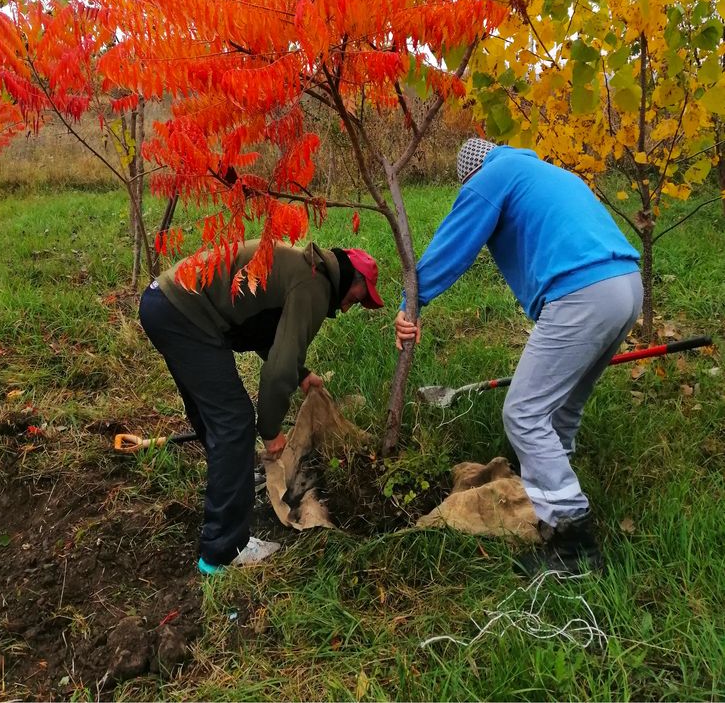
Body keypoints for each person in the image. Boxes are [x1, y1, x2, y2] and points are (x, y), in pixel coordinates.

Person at [394, 138, 642, 575]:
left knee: (524, 413)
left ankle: (573, 542)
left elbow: (455, 242)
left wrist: (410, 303)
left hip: (581, 293)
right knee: (561, 408)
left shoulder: (490, 177)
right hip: (625, 285)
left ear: (471, 174)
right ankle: (550, 497)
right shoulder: (544, 172)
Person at [140, 239, 383, 575]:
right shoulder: (315, 285)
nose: (346, 308)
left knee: (219, 421)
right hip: (186, 314)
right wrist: (270, 432)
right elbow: (277, 368)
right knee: (235, 422)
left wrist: (302, 374)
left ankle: (229, 488)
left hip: (162, 302)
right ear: (350, 278)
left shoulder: (305, 267)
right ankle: (224, 549)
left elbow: (264, 332)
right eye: (357, 298)